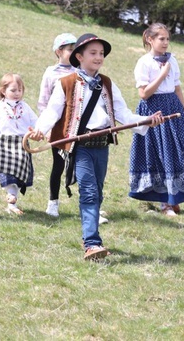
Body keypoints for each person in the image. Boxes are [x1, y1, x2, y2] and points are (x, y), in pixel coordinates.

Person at [29, 33, 165, 260]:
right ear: (79, 57)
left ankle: (89, 237)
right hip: (79, 146)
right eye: (93, 53)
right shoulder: (66, 83)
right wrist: (40, 130)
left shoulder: (108, 84)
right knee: (89, 192)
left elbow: (123, 114)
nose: (98, 57)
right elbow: (52, 111)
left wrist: (147, 120)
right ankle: (92, 243)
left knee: (98, 193)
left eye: (101, 53)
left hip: (102, 146)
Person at [129, 23, 184, 216]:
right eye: (161, 39)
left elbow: (177, 88)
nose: (166, 43)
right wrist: (161, 75)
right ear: (150, 39)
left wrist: (183, 113)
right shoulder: (144, 62)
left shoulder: (172, 60)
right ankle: (165, 202)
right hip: (154, 110)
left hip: (173, 108)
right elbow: (144, 93)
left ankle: (174, 196)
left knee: (181, 151)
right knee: (161, 154)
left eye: (167, 39)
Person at [0, 73, 38, 215]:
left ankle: (12, 202)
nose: (17, 93)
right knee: (7, 173)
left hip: (21, 144)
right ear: (3, 91)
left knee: (19, 174)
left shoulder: (25, 107)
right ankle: (11, 198)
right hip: (4, 144)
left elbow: (35, 122)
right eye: (13, 90)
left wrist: (40, 132)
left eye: (20, 90)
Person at [37, 33, 77, 218]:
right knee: (58, 165)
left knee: (82, 166)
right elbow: (43, 102)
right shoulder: (51, 73)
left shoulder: (80, 71)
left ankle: (90, 205)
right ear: (58, 51)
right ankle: (53, 202)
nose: (74, 52)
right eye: (70, 49)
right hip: (59, 127)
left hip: (79, 126)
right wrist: (44, 126)